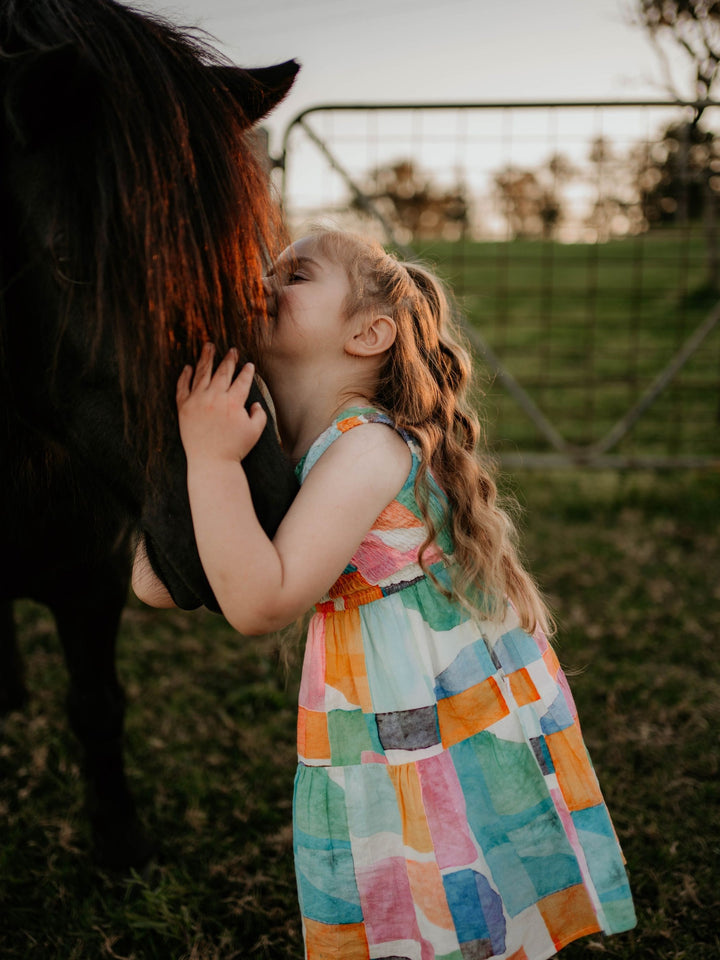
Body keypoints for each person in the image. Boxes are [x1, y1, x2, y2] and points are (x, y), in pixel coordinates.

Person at [133, 229, 636, 960]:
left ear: (369, 333)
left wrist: (210, 462)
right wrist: (187, 461)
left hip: (433, 706)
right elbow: (156, 584)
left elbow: (261, 603)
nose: (263, 283)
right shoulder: (279, 456)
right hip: (380, 710)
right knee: (410, 867)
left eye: (295, 274)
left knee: (456, 860)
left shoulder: (367, 447)